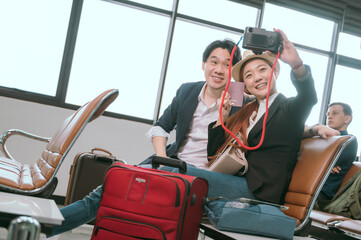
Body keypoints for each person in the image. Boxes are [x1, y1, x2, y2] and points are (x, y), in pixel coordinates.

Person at [48, 38, 250, 236]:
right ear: (204, 64)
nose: (219, 69)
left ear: (233, 71)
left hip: (206, 173)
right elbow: (161, 127)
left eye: (227, 65)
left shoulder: (239, 99)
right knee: (112, 185)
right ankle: (44, 226)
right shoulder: (188, 90)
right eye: (214, 62)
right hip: (172, 163)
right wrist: (164, 160)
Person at [162, 28, 317, 204]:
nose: (257, 78)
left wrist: (296, 64)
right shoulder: (247, 111)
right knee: (170, 172)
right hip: (239, 179)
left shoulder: (288, 109)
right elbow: (213, 153)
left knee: (176, 175)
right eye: (249, 75)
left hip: (260, 191)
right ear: (246, 87)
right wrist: (223, 117)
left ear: (275, 73)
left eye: (262, 70)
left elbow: (308, 97)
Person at [313, 102, 358, 200]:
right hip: (306, 185)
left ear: (347, 118)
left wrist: (323, 165)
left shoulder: (349, 140)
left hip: (321, 194)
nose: (329, 117)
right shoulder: (319, 137)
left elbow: (323, 163)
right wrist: (325, 166)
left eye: (335, 113)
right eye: (328, 114)